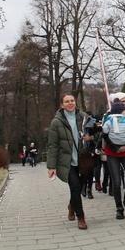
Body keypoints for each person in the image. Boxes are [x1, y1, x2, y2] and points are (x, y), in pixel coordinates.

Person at [47, 93, 92, 230]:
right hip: (67, 161)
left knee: (80, 187)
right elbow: (53, 145)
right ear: (62, 105)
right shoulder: (56, 122)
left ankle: (72, 205)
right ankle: (81, 218)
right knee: (75, 187)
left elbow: (95, 133)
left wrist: (91, 138)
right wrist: (51, 166)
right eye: (67, 101)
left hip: (83, 158)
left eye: (72, 101)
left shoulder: (84, 117)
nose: (70, 103)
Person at [102, 98, 125, 220]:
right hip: (112, 152)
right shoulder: (108, 118)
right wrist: (115, 147)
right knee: (116, 181)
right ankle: (119, 208)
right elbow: (104, 135)